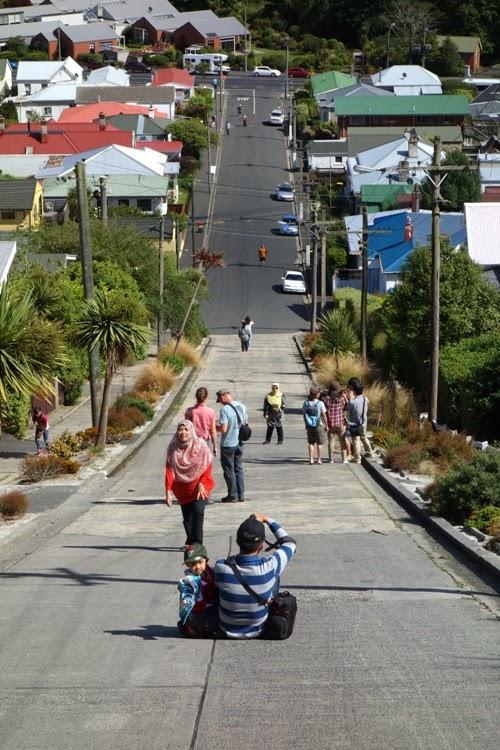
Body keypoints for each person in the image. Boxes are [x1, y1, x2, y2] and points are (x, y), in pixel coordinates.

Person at [214, 513, 296, 639]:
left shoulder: (220, 567)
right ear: (262, 546)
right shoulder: (269, 567)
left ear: (237, 542)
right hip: (258, 630)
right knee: (274, 576)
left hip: (226, 628)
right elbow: (290, 543)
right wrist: (267, 519)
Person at [165, 420, 215, 547]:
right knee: (187, 519)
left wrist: (202, 483)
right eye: (180, 429)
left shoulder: (200, 445)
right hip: (182, 489)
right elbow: (169, 470)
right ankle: (191, 541)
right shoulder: (172, 448)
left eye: (186, 429)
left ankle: (197, 544)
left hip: (200, 487)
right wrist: (168, 491)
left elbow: (207, 465)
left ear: (191, 431)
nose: (183, 432)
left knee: (198, 512)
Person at [177, 543, 218, 638]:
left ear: (206, 561)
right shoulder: (189, 580)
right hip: (198, 611)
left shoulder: (210, 571)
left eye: (200, 562)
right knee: (190, 621)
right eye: (193, 564)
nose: (198, 567)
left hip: (212, 606)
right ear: (188, 565)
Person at [216, 388, 247, 503]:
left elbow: (223, 429)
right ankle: (241, 494)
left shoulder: (225, 409)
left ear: (223, 396)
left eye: (219, 399)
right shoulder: (241, 406)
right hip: (240, 442)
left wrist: (215, 427)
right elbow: (245, 422)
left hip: (228, 444)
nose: (220, 402)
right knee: (238, 468)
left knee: (229, 470)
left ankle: (232, 495)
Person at [345, 378, 374, 463]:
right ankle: (370, 452)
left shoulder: (352, 402)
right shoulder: (366, 399)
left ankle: (357, 459)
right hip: (363, 423)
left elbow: (347, 409)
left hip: (355, 424)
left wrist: (349, 399)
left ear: (353, 392)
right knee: (364, 437)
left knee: (356, 441)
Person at [184, 386, 217, 456]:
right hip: (204, 441)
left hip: (192, 441)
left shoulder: (189, 411)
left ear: (196, 397)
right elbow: (213, 431)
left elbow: (186, 427)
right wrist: (215, 446)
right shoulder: (211, 412)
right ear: (206, 397)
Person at [323, 381, 348, 463]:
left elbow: (324, 410)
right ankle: (344, 459)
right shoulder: (342, 399)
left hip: (330, 423)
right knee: (342, 441)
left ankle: (331, 459)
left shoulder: (326, 399)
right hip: (340, 423)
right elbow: (346, 407)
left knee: (331, 441)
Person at [302, 385, 328, 464]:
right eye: (319, 393)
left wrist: (306, 424)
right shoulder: (320, 403)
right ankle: (319, 459)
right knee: (319, 443)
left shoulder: (306, 403)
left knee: (311, 443)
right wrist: (326, 425)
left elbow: (304, 415)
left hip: (310, 425)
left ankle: (311, 459)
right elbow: (324, 415)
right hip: (318, 425)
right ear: (317, 394)